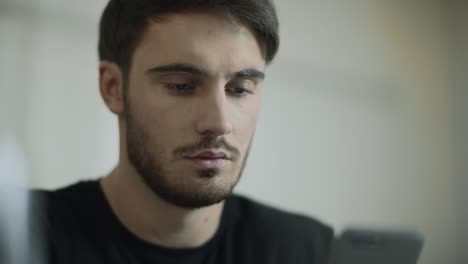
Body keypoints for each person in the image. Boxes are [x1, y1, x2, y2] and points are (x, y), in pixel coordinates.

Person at [33, 0, 334, 263]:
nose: (219, 123)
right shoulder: (25, 236)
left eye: (240, 89)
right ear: (113, 88)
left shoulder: (308, 250)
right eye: (181, 86)